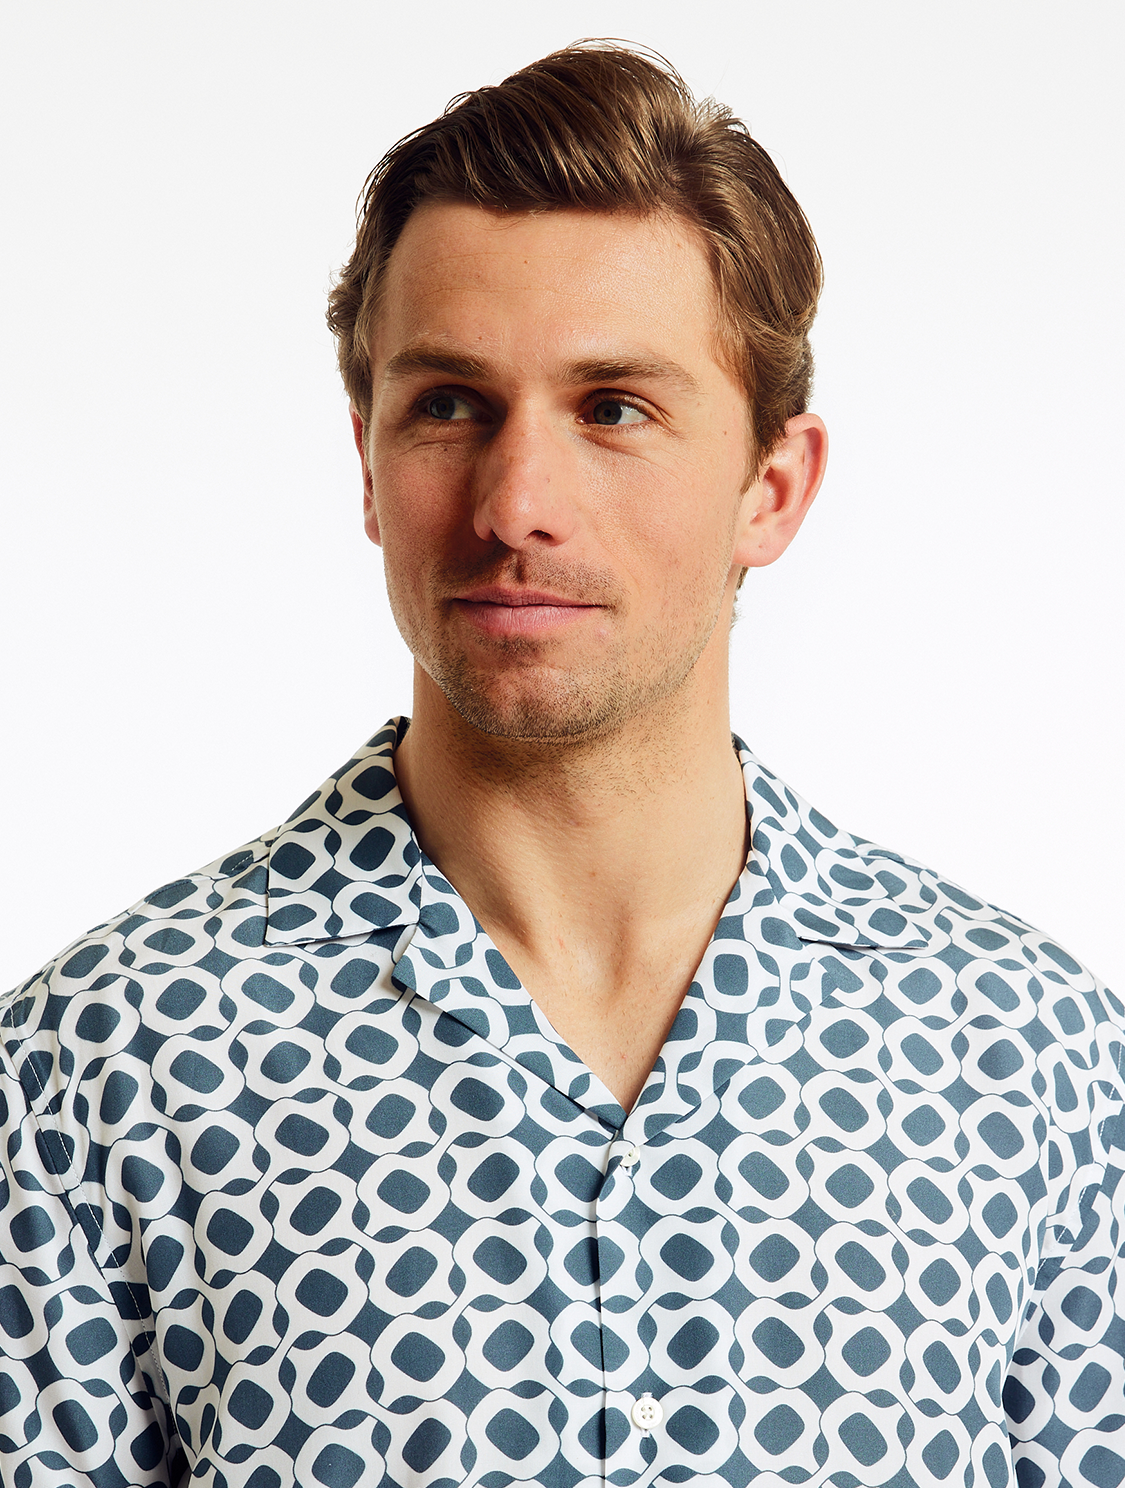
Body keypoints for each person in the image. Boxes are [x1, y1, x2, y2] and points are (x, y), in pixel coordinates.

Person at [0, 41, 1120, 1488]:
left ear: (772, 488)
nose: (517, 503)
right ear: (368, 464)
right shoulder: (102, 1069)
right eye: (449, 404)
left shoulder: (1033, 1067)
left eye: (614, 408)